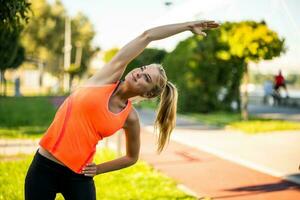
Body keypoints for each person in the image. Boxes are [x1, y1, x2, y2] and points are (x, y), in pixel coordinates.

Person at [24, 20, 219, 200]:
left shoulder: (130, 118)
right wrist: (187, 26)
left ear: (150, 94)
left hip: (78, 176)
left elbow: (131, 157)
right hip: (44, 168)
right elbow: (147, 36)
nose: (139, 73)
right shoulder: (107, 77)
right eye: (142, 69)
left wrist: (99, 169)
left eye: (146, 79)